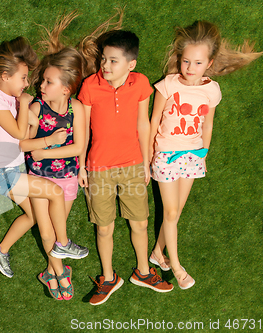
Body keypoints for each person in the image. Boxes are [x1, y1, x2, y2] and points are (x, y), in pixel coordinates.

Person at [149, 20, 263, 289]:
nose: (190, 68)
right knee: (172, 210)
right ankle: (176, 268)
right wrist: (149, 155)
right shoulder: (167, 85)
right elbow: (153, 121)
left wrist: (203, 153)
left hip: (192, 155)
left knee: (175, 214)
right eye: (186, 61)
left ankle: (157, 252)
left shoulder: (211, 90)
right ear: (180, 59)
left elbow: (208, 124)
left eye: (198, 63)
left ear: (209, 63)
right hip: (165, 155)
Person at [0, 37, 88, 300]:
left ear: (66, 89)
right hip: (28, 174)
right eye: (37, 79)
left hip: (64, 175)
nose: (38, 85)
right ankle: (61, 269)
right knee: (46, 229)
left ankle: (47, 270)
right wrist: (44, 143)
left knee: (45, 221)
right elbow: (27, 143)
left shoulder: (76, 108)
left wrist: (45, 150)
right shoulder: (32, 106)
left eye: (47, 82)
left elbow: (77, 147)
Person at [78, 29, 174, 306]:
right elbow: (82, 129)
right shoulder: (89, 86)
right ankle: (108, 278)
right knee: (104, 227)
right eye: (103, 60)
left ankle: (143, 272)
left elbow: (143, 124)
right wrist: (82, 165)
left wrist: (146, 162)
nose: (104, 66)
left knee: (140, 223)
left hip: (133, 165)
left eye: (112, 61)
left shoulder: (141, 83)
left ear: (130, 64)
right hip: (98, 168)